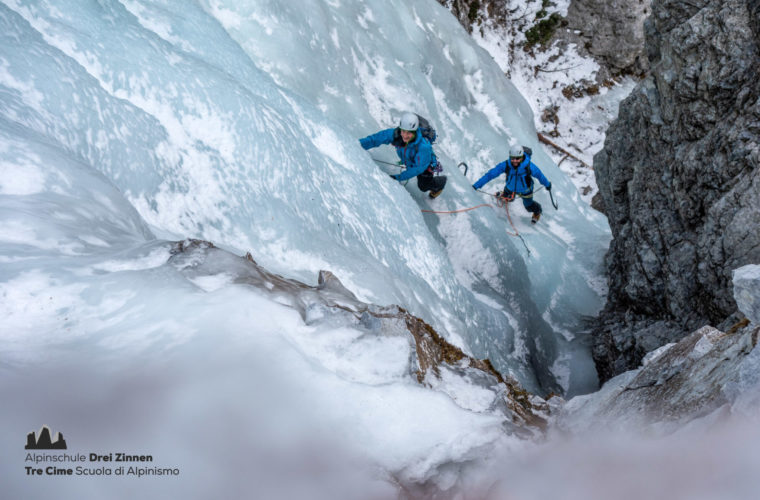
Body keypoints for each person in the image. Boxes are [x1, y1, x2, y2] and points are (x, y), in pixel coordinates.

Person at [359, 112, 447, 199]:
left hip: (425, 164)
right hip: (410, 159)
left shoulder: (423, 147)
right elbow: (375, 139)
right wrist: (357, 145)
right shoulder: (396, 135)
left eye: (409, 133)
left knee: (423, 186)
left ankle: (440, 183)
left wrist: (397, 178)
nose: (405, 136)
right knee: (411, 165)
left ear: (415, 132)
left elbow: (418, 169)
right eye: (403, 131)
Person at [472, 144, 551, 224]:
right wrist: (476, 185)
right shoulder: (506, 165)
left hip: (526, 190)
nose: (515, 161)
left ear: (522, 156)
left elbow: (540, 176)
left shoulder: (529, 166)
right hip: (510, 187)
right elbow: (490, 174)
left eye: (517, 158)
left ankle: (537, 211)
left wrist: (547, 185)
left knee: (529, 206)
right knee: (507, 196)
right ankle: (508, 197)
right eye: (512, 158)